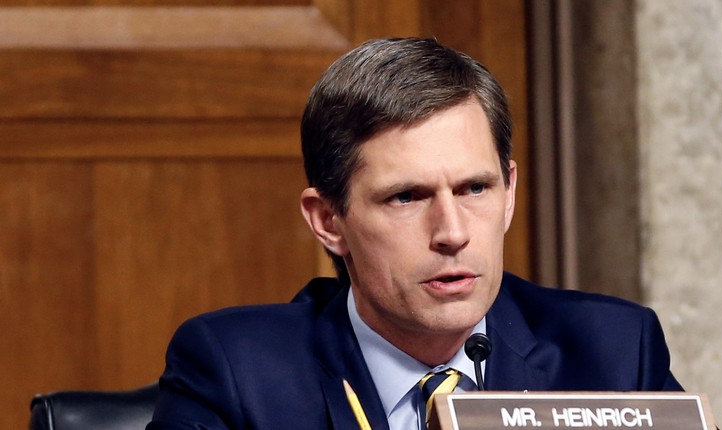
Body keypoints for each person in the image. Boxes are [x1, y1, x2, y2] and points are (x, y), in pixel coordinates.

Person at [147, 37, 682, 430]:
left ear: (510, 192)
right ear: (328, 220)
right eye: (406, 197)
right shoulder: (237, 373)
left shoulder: (613, 354)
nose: (452, 233)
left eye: (475, 188)